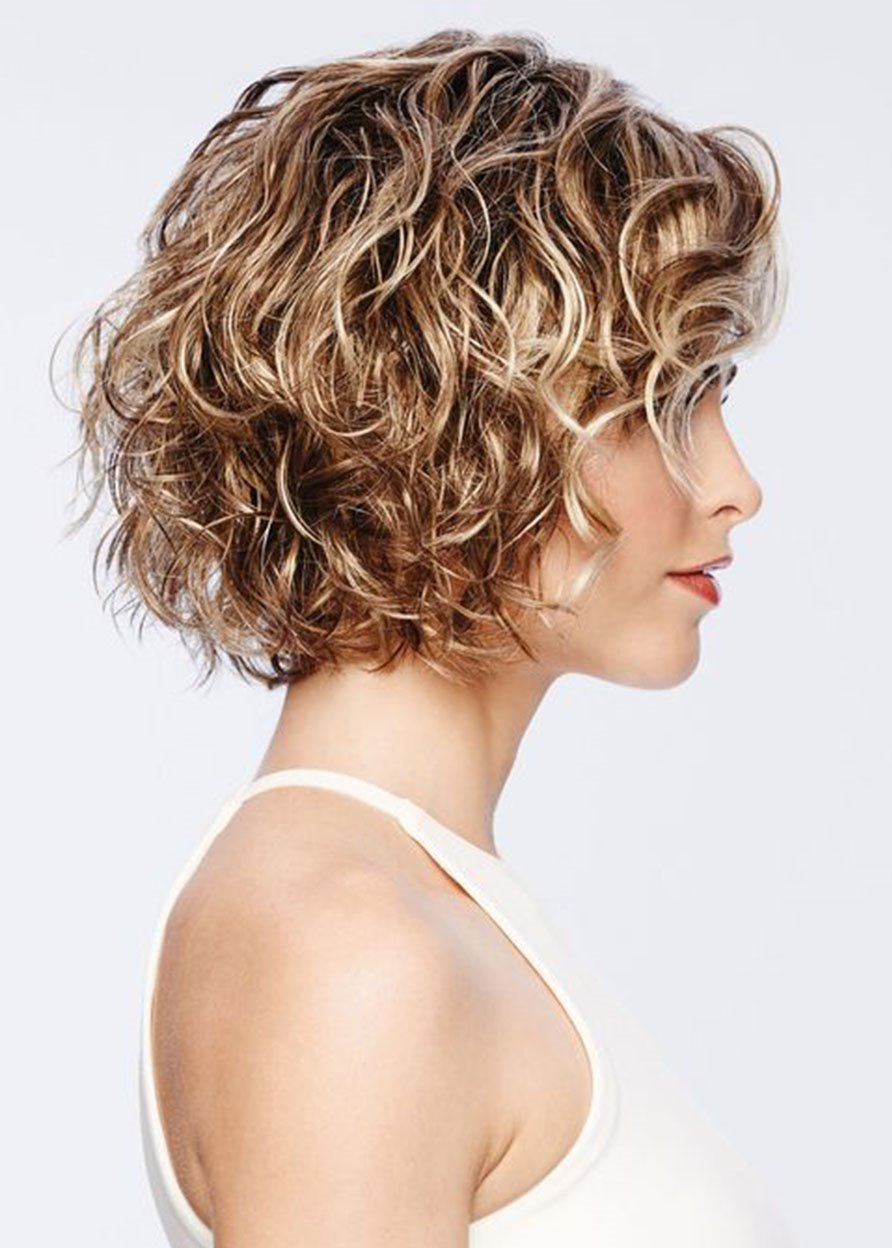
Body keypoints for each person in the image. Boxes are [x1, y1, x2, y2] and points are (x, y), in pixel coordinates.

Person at [64, 27, 793, 1248]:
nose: (736, 487)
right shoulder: (348, 944)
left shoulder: (417, 914)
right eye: (661, 399)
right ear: (452, 416)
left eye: (717, 395)